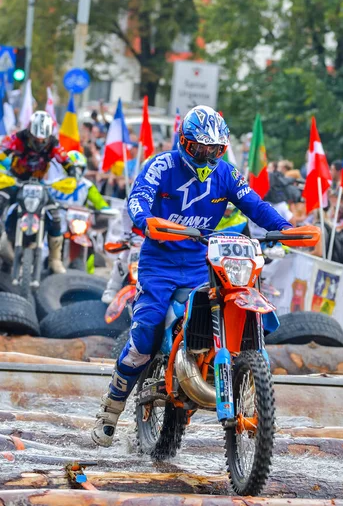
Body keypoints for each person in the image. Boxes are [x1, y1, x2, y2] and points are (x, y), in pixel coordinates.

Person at [91, 105, 292, 447]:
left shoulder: (226, 173)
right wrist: (146, 221)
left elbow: (255, 205)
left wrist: (284, 228)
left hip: (202, 261)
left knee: (227, 305)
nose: (206, 155)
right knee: (145, 335)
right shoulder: (161, 165)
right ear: (184, 142)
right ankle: (111, 409)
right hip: (159, 262)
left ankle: (226, 373)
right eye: (200, 148)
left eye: (214, 150)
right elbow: (137, 199)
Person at [0, 111, 76, 274]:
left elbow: (67, 162)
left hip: (39, 184)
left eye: (43, 139)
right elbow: (2, 151)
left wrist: (73, 175)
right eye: (36, 139)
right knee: (1, 199)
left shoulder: (53, 144)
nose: (40, 141)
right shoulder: (17, 138)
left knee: (55, 215)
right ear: (29, 132)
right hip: (16, 180)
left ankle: (55, 259)